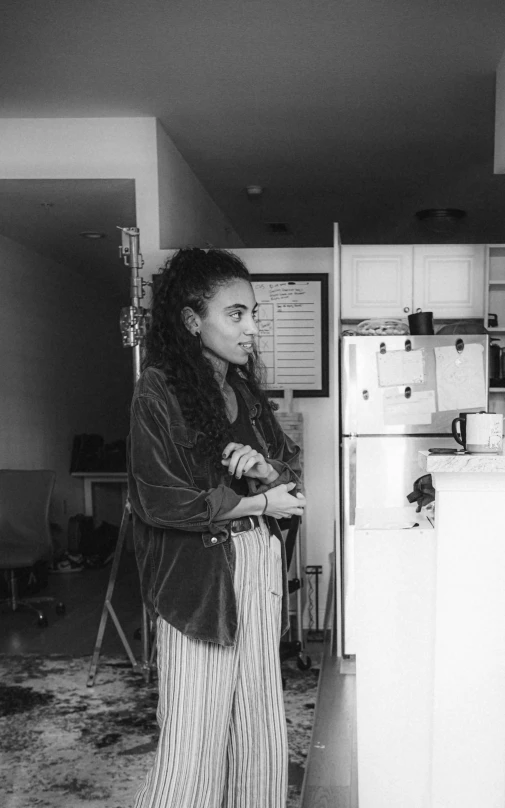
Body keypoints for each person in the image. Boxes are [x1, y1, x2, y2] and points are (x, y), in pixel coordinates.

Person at [128, 247, 305, 808]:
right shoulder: (157, 391)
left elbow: (290, 478)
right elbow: (159, 500)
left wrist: (263, 470)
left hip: (257, 568)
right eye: (236, 315)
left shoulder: (246, 394)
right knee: (192, 748)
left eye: (253, 314)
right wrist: (256, 504)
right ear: (190, 320)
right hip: (198, 585)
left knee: (257, 725)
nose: (252, 328)